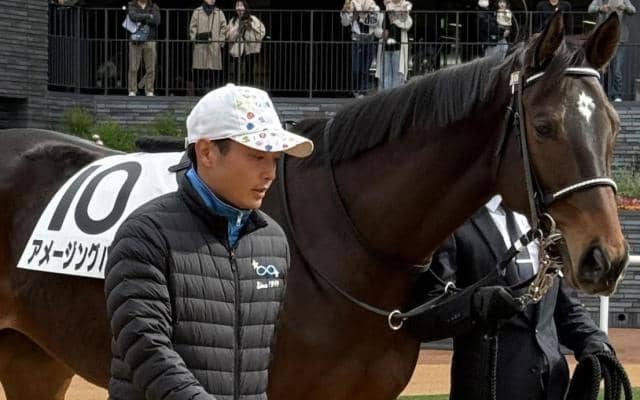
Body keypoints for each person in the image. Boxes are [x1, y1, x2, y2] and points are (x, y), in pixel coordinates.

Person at [104, 84, 314, 400]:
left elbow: (262, 362)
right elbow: (146, 347)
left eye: (275, 159)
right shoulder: (145, 233)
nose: (270, 173)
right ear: (206, 153)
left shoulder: (273, 240)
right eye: (257, 156)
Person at [409, 195, 615, 400]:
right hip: (488, 390)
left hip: (553, 388)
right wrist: (475, 303)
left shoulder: (545, 221)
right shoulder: (452, 222)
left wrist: (595, 341)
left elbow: (567, 308)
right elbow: (425, 314)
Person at [589, 0, 636, 102]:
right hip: (603, 39)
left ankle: (616, 95)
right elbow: (590, 9)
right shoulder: (599, 0)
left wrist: (625, 7)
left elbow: (633, 10)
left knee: (616, 69)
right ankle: (601, 94)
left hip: (619, 39)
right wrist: (600, 8)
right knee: (602, 69)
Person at [341, 0, 382, 97]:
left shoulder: (373, 6)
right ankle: (356, 90)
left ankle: (363, 91)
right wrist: (344, 12)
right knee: (356, 68)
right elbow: (345, 23)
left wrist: (359, 16)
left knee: (365, 69)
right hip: (357, 40)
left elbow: (374, 22)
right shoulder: (352, 4)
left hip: (369, 40)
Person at [190, 0, 228, 94]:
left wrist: (220, 40)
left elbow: (224, 27)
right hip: (201, 45)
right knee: (200, 70)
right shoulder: (197, 11)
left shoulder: (219, 12)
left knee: (213, 71)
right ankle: (200, 92)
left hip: (214, 45)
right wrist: (195, 39)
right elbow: (192, 27)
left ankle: (213, 92)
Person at [227, 0, 266, 86]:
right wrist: (238, 28)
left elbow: (262, 31)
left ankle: (249, 84)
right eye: (237, 6)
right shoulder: (233, 21)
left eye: (241, 5)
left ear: (245, 7)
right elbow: (229, 36)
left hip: (250, 47)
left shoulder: (253, 19)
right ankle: (237, 84)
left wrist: (251, 26)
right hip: (237, 47)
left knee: (250, 67)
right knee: (237, 67)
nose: (239, 8)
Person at [375, 0, 413, 90]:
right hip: (385, 49)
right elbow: (376, 30)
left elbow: (408, 24)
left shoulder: (403, 9)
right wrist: (382, 33)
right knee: (385, 75)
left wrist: (395, 20)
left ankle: (395, 96)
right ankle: (386, 96)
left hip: (398, 49)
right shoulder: (383, 12)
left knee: (397, 76)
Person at [126, 0, 160, 96]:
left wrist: (140, 18)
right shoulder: (132, 4)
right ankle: (132, 90)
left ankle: (149, 90)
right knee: (133, 67)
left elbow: (157, 21)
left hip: (150, 39)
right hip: (135, 39)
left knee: (151, 68)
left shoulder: (153, 6)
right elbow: (133, 17)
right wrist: (148, 16)